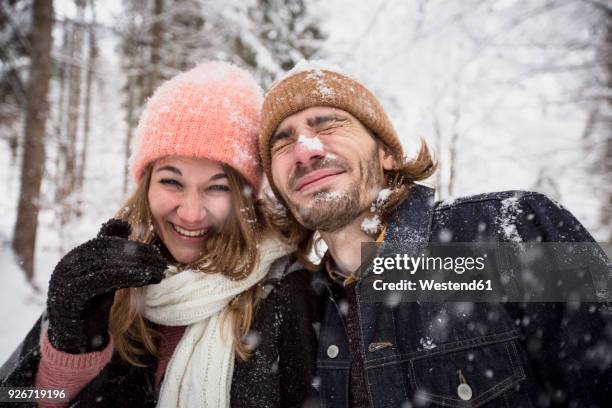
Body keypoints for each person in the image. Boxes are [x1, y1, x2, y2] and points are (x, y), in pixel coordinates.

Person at [258, 63, 612, 407]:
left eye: (329, 124)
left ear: (386, 155)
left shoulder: (517, 230)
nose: (305, 150)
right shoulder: (305, 307)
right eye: (282, 142)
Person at [0, 61, 318, 408]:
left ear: (247, 198)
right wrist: (67, 352)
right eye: (171, 181)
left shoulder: (288, 291)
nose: (191, 212)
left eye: (217, 187)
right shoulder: (105, 277)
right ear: (145, 185)